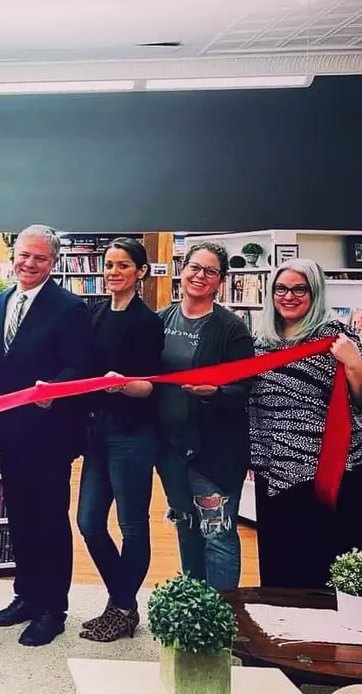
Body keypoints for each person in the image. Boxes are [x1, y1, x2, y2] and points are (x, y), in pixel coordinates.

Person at [0, 224, 93, 648]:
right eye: (24, 255)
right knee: (20, 518)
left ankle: (54, 609)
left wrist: (55, 388)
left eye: (40, 258)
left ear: (53, 262)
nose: (29, 263)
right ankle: (26, 596)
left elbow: (81, 367)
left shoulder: (70, 308)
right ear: (14, 254)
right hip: (9, 435)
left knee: (50, 521)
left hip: (50, 437)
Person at [249, 258, 362, 589]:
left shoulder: (337, 339)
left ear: (315, 293)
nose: (289, 296)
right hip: (274, 471)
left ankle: (325, 640)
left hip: (328, 472)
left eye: (301, 289)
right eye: (281, 288)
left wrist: (354, 364)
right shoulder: (261, 342)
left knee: (321, 564)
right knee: (279, 562)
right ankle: (283, 637)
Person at [76, 237, 164, 642]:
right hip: (98, 433)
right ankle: (122, 602)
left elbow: (151, 387)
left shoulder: (147, 321)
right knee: (89, 521)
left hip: (133, 433)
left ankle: (123, 608)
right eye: (109, 264)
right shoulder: (94, 314)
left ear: (140, 272)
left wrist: (122, 385)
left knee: (131, 525)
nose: (113, 272)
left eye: (123, 266)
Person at [155, 241, 254, 590]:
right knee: (187, 527)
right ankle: (195, 610)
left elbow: (245, 389)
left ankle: (224, 618)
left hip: (213, 454)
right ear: (182, 269)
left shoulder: (232, 329)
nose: (200, 276)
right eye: (195, 267)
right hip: (170, 451)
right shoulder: (161, 319)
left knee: (218, 534)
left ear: (220, 281)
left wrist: (216, 394)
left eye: (210, 271)